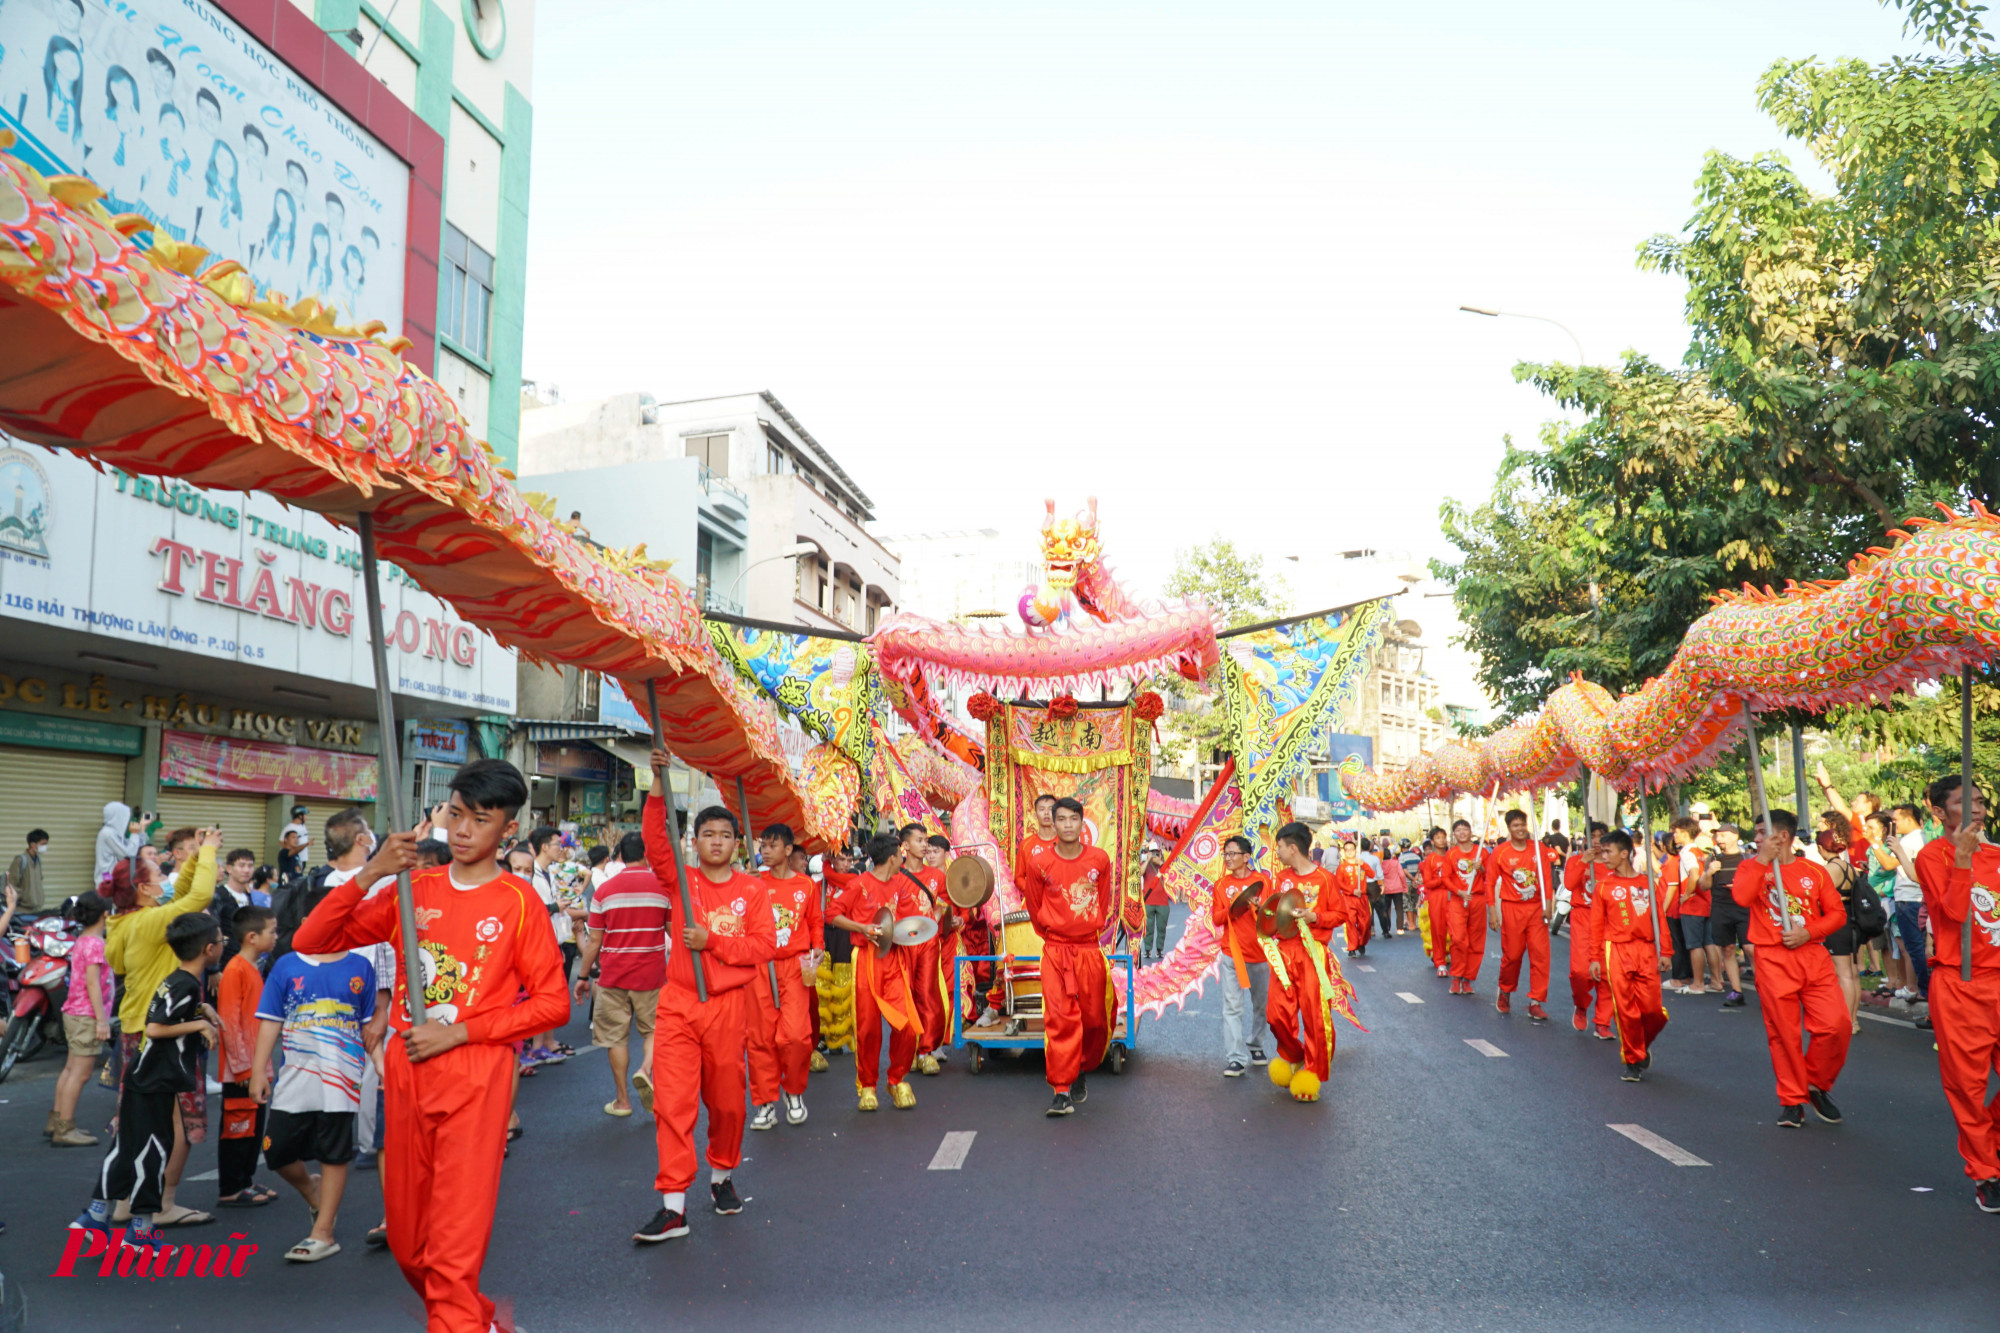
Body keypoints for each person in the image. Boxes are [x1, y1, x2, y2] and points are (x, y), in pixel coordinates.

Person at [292, 758, 569, 1329]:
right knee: (410, 1245)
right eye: (457, 815)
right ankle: (479, 1320)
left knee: (450, 1256)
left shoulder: (519, 903)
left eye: (480, 820)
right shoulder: (411, 889)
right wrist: (370, 873)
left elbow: (553, 1004)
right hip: (408, 1070)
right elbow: (311, 938)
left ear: (508, 830)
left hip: (476, 1074)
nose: (464, 830)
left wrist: (461, 1030)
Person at [635, 771, 774, 1240]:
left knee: (728, 1103)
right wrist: (657, 785)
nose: (717, 842)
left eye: (725, 835)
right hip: (677, 1005)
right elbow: (655, 841)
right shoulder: (682, 879)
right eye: (708, 834)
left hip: (727, 1008)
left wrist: (710, 941)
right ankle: (673, 1206)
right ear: (693, 842)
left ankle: (722, 1176)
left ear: (737, 843)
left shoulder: (752, 890)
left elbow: (762, 948)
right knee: (672, 1104)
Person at [72, 912, 222, 1249]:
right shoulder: (185, 983)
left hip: (147, 1077)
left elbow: (170, 1013)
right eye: (222, 941)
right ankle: (138, 1233)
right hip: (154, 1080)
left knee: (129, 1146)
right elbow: (155, 1027)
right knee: (153, 1151)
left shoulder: (180, 979)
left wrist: (202, 1012)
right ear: (209, 949)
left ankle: (98, 1216)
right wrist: (200, 1025)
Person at [105, 828, 219, 1229]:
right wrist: (206, 853)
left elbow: (182, 895)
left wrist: (190, 863)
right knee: (179, 1123)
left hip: (135, 1028)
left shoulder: (121, 923)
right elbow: (197, 900)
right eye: (160, 874)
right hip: (168, 1029)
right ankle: (163, 1203)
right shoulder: (152, 921)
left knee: (135, 1119)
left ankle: (124, 1200)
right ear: (144, 888)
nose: (166, 879)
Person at [252, 926, 377, 1261]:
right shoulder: (287, 965)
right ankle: (313, 1191)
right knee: (276, 1151)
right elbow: (270, 1020)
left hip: (343, 1078)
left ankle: (323, 1232)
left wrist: (381, 1067)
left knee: (334, 1152)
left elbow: (368, 1027)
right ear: (311, 919)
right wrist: (257, 1070)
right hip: (294, 1077)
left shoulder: (360, 967)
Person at [1731, 808, 1852, 1128]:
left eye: (1760, 833)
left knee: (1836, 1024)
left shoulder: (1814, 870)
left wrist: (1808, 933)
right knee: (1784, 1034)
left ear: (1781, 836)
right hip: (1773, 959)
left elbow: (1837, 915)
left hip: (1812, 955)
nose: (1755, 839)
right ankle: (1791, 1100)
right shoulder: (1749, 866)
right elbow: (1741, 898)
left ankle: (1815, 1083)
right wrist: (1761, 861)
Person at [1914, 774, 2000, 1211]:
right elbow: (1953, 914)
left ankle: (1993, 1144)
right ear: (1938, 811)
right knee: (1968, 1087)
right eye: (1965, 804)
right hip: (1961, 982)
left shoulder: (1999, 854)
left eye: (1982, 802)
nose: (1977, 810)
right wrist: (1963, 860)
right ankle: (1986, 1173)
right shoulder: (1933, 856)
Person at [1017, 796, 1115, 1117]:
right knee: (1059, 1019)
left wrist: (1084, 932)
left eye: (1074, 819)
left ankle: (1082, 1066)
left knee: (1093, 1019)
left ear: (1081, 822)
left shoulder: (1099, 860)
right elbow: (1033, 905)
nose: (1068, 825)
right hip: (1056, 951)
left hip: (1089, 950)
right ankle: (1061, 1089)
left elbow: (1103, 902)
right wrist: (1054, 936)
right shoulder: (1039, 862)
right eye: (1061, 819)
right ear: (1052, 823)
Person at [574, 832, 666, 1119]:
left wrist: (583, 976)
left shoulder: (605, 891)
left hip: (613, 975)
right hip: (651, 974)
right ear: (647, 855)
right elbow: (676, 933)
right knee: (653, 1031)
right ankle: (645, 1070)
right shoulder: (663, 889)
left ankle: (623, 1101)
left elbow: (593, 942)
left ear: (621, 857)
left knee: (616, 1038)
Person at [828, 832, 923, 1109]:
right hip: (866, 960)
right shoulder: (859, 884)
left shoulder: (900, 885)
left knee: (905, 1022)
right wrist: (862, 928)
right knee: (868, 1028)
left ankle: (896, 1079)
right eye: (900, 853)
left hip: (893, 959)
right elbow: (832, 914)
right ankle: (867, 1086)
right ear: (892, 857)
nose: (902, 858)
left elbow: (906, 920)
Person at [746, 821, 822, 1129]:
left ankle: (793, 1091)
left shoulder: (806, 885)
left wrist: (817, 947)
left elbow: (815, 921)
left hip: (795, 966)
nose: (765, 850)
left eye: (772, 845)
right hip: (760, 967)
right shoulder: (753, 881)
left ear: (788, 850)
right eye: (763, 844)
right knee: (760, 1037)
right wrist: (744, 885)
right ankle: (765, 1102)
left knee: (795, 1037)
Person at [1263, 822, 1338, 1100]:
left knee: (1315, 1017)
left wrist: (1315, 917)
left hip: (1312, 954)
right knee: (1275, 1015)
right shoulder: (1280, 878)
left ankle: (1311, 1074)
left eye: (1280, 847)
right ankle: (1293, 1055)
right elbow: (1271, 914)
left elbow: (1339, 914)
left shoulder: (1326, 880)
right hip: (1283, 953)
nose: (1278, 852)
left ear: (1293, 848)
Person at [1588, 831, 1667, 1081]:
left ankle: (1640, 1045)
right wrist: (1595, 958)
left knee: (1653, 1010)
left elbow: (1660, 920)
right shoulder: (1603, 887)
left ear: (1624, 853)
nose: (1604, 856)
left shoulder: (1648, 884)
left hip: (1645, 950)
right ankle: (1633, 1060)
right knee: (1626, 1010)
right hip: (1617, 950)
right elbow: (1596, 926)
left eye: (1608, 851)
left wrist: (1666, 950)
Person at [215, 905, 278, 1208]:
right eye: (272, 931)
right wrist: (244, 1070)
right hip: (242, 1070)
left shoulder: (251, 967)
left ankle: (245, 1180)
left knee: (253, 1127)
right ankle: (232, 1186)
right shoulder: (236, 969)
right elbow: (229, 1022)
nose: (276, 936)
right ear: (252, 937)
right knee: (238, 1128)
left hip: (254, 1066)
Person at [49, 890, 113, 1147]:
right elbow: (93, 984)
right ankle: (65, 1128)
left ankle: (57, 1120)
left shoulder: (82, 940)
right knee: (80, 1074)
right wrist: (101, 1020)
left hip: (73, 1011)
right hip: (86, 1014)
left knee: (70, 1069)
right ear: (106, 915)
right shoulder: (96, 944)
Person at [1481, 808, 1557, 1022]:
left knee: (1540, 955)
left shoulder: (1539, 848)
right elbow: (1490, 883)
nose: (1520, 829)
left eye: (1523, 824)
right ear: (1509, 828)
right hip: (1512, 908)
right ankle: (1505, 991)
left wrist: (1548, 904)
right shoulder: (1501, 852)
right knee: (1512, 955)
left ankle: (1536, 1001)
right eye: (1515, 825)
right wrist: (1492, 912)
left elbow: (1547, 879)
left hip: (1536, 909)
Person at [1211, 836, 1271, 1077]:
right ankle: (1235, 1058)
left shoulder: (1262, 881)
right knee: (1232, 1007)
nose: (1228, 858)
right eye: (1225, 854)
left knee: (1261, 1005)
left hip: (1259, 954)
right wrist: (1235, 907)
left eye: (1233, 854)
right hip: (1231, 954)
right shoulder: (1221, 885)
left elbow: (1272, 915)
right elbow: (1216, 918)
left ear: (1247, 857)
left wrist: (1257, 906)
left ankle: (1256, 1045)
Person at [896, 825, 952, 1075]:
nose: (925, 845)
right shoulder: (895, 876)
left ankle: (927, 1050)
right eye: (919, 840)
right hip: (903, 943)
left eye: (926, 840)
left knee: (928, 993)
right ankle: (908, 1049)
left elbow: (942, 905)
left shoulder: (937, 876)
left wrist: (934, 918)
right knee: (904, 996)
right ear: (905, 846)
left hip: (929, 942)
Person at [1563, 822, 1613, 1038]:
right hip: (1583, 917)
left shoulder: (1613, 864)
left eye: (1601, 837)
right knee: (1581, 972)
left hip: (1608, 922)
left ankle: (1603, 1022)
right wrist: (1584, 862)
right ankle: (1581, 1004)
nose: (1596, 841)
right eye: (1592, 836)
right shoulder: (1576, 860)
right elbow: (1568, 884)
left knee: (1608, 972)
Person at [1886, 803, 1931, 1005]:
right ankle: (1923, 989)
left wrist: (1876, 844)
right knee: (1917, 947)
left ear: (1908, 819)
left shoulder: (1909, 840)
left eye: (1896, 820)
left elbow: (1888, 864)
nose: (1894, 824)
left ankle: (1925, 990)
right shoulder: (1924, 837)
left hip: (1910, 899)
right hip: (1914, 898)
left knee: (1914, 948)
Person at [1705, 824, 1751, 1009]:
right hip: (1721, 908)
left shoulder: (1746, 859)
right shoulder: (1713, 859)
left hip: (1743, 908)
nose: (1720, 839)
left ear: (1735, 836)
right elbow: (1703, 885)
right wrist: (1709, 872)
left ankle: (1765, 988)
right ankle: (1736, 991)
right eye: (1718, 836)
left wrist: (1740, 887)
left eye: (1724, 835)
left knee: (1751, 949)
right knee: (1728, 950)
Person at [1669, 817, 1717, 995]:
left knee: (1694, 945)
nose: (1674, 835)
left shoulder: (1687, 852)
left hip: (1693, 904)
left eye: (1676, 832)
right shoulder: (1699, 851)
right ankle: (1716, 980)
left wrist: (1686, 895)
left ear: (1685, 832)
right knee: (1709, 943)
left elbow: (1694, 874)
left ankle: (1697, 983)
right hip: (1705, 901)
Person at [1442, 819, 1489, 995]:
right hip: (1458, 900)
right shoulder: (1451, 854)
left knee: (1476, 941)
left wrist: (1482, 868)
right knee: (1459, 939)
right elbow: (1445, 878)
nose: (1462, 833)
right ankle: (1456, 977)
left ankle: (1468, 979)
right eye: (1458, 830)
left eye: (1465, 829)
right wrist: (1459, 891)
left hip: (1477, 899)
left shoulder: (1482, 852)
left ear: (1471, 832)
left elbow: (1490, 876)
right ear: (1454, 834)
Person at [1419, 826, 1453, 978]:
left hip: (1454, 896)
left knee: (1456, 930)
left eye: (1443, 837)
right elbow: (1428, 883)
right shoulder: (1430, 859)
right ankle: (1440, 962)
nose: (1442, 840)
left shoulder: (1453, 855)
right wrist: (1443, 879)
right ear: (1432, 841)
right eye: (1438, 838)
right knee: (1438, 930)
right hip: (1437, 897)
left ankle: (1456, 958)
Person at [1332, 839, 1371, 956]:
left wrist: (1363, 865)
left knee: (1365, 923)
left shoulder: (1361, 864)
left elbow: (1373, 874)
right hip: (1349, 899)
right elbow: (1339, 883)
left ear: (1355, 850)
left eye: (1351, 849)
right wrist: (1353, 891)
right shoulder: (1342, 867)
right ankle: (1352, 947)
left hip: (1362, 898)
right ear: (1344, 852)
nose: (1349, 852)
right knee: (1351, 923)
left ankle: (1362, 942)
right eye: (1347, 850)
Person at [95, 801, 145, 886]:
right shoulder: (108, 834)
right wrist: (134, 834)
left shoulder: (115, 834)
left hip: (111, 879)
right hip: (107, 879)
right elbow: (129, 855)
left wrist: (142, 826)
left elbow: (137, 847)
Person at [1141, 847, 1170, 960]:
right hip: (1148, 901)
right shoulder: (1145, 864)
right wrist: (1148, 860)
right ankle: (1147, 949)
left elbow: (1171, 875)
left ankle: (1159, 949)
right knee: (1148, 927)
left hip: (1163, 902)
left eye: (1157, 853)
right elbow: (1140, 873)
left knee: (1161, 928)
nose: (1155, 855)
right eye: (1153, 853)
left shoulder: (1166, 865)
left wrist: (1161, 863)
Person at [9, 828, 47, 912]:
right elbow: (12, 883)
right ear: (33, 844)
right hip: (22, 910)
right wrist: (23, 898)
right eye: (43, 844)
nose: (45, 847)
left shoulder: (38, 860)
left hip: (36, 908)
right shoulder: (20, 860)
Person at [1379, 839, 1409, 938]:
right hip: (1397, 888)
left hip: (1386, 889)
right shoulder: (1396, 863)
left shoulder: (1380, 865)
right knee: (1399, 908)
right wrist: (1405, 886)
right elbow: (1402, 875)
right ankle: (1400, 928)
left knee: (1386, 909)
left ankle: (1387, 927)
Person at [279, 805, 311, 881]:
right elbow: (281, 841)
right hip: (294, 860)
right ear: (300, 816)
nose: (307, 817)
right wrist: (290, 852)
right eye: (305, 815)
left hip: (301, 859)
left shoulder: (303, 826)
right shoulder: (289, 828)